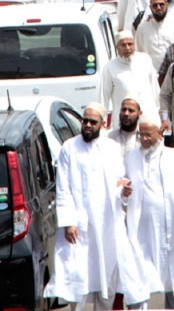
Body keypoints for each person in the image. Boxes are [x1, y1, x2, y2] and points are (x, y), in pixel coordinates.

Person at [44, 102, 149, 309]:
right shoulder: (69, 148)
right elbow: (63, 187)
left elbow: (118, 182)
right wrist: (68, 222)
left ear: (102, 124)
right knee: (78, 278)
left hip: (106, 225)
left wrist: (124, 192)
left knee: (106, 280)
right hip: (79, 226)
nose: (88, 125)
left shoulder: (112, 148)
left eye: (93, 122)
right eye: (85, 120)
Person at [123, 115, 174, 310]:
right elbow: (122, 189)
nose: (144, 139)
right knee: (139, 275)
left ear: (159, 134)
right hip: (141, 231)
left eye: (148, 135)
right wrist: (123, 193)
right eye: (141, 135)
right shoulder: (131, 158)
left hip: (171, 228)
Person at [100, 30, 159, 127]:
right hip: (124, 122)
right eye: (123, 45)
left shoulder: (145, 60)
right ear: (117, 48)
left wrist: (160, 114)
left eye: (130, 44)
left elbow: (155, 89)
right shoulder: (110, 68)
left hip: (147, 118)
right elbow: (103, 97)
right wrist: (103, 122)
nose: (127, 48)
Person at [135, 0, 174, 70]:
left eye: (161, 4)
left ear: (167, 5)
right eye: (155, 5)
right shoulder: (142, 28)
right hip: (151, 74)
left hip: (172, 73)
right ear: (150, 7)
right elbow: (139, 53)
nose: (158, 7)